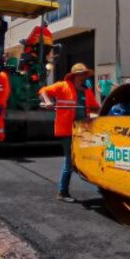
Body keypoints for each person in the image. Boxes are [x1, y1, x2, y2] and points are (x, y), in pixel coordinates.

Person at [39, 63, 99, 203]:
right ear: (75, 75)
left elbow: (95, 108)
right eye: (82, 74)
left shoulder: (87, 91)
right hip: (67, 130)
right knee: (69, 160)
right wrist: (48, 101)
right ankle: (62, 192)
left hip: (83, 130)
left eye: (85, 74)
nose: (84, 77)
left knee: (88, 157)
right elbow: (43, 91)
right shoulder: (62, 86)